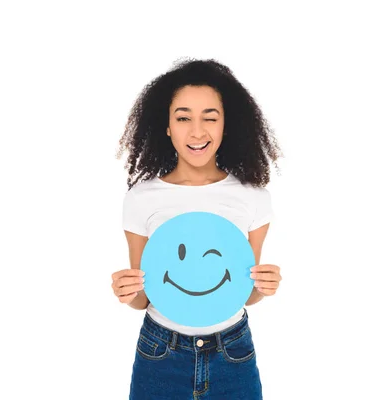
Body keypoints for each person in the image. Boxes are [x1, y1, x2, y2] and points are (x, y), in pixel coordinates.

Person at [112, 58, 283, 400]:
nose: (197, 131)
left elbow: (243, 292)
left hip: (232, 352)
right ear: (167, 126)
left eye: (210, 118)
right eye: (183, 118)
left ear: (225, 125)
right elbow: (146, 297)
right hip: (160, 352)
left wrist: (263, 287)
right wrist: (127, 291)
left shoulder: (253, 198)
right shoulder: (141, 199)